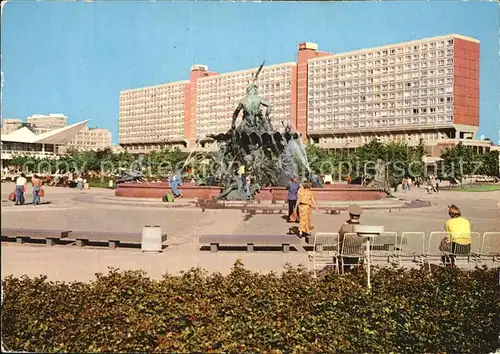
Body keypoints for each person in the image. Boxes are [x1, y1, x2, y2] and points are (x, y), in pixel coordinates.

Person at [338, 204, 364, 272]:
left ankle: (343, 271)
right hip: (357, 252)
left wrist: (344, 225)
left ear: (350, 215)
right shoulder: (362, 228)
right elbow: (364, 240)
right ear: (359, 216)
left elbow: (338, 238)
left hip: (345, 253)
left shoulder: (345, 227)